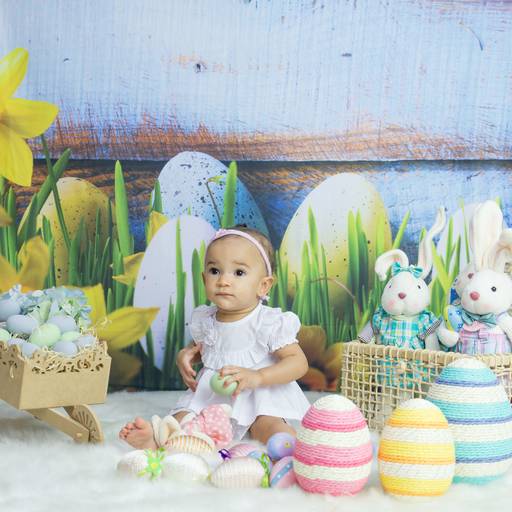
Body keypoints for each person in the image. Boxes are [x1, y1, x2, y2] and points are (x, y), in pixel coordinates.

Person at [119, 225, 310, 449]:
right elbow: (206, 349)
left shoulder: (268, 322)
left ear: (263, 285)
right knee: (185, 416)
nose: (223, 281)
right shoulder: (205, 319)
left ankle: (288, 448)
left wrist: (258, 377)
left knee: (267, 425)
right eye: (214, 271)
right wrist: (186, 356)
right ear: (204, 278)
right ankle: (156, 439)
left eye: (239, 273)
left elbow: (298, 363)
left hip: (258, 394)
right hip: (213, 395)